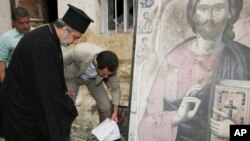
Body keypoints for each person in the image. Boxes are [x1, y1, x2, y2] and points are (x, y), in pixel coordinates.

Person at [138, 0, 250, 141]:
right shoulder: (173, 60)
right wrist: (176, 117)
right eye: (203, 9)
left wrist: (234, 132)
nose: (209, 17)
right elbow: (145, 129)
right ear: (194, 15)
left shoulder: (244, 60)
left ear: (230, 13)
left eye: (218, 8)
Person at [0, 4, 93, 141]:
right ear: (65, 29)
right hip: (20, 110)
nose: (74, 42)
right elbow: (43, 86)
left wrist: (62, 90)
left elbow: (50, 76)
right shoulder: (42, 44)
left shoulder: (49, 36)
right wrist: (65, 105)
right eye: (75, 37)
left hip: (27, 103)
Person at [63, 42, 121, 123]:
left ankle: (102, 134)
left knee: (106, 107)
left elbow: (115, 89)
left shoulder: (110, 67)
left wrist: (115, 112)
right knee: (68, 104)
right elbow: (58, 63)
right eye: (104, 74)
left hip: (93, 80)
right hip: (73, 76)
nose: (106, 77)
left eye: (108, 75)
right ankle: (63, 134)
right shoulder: (80, 52)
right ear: (96, 64)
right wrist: (61, 85)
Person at [0, 7, 32, 83]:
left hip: (33, 77)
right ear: (13, 23)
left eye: (27, 22)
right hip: (15, 78)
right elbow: (1, 64)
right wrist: (5, 89)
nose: (25, 26)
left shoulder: (35, 32)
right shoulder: (6, 38)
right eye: (21, 23)